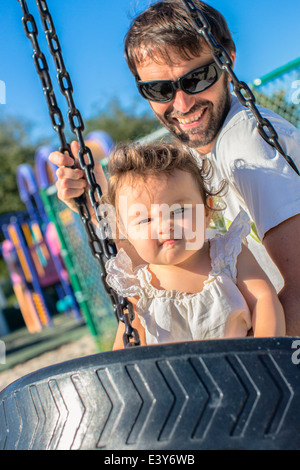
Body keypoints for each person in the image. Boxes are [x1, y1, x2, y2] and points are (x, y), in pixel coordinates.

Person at [49, 0, 300, 335]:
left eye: (197, 78)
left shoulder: (248, 146)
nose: (182, 104)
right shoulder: (193, 155)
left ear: (228, 61)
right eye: (160, 89)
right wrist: (95, 206)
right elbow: (159, 259)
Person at [99, 140, 285, 348]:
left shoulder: (229, 255)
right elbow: (123, 353)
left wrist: (264, 355)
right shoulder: (137, 288)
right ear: (125, 231)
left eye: (178, 211)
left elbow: (264, 299)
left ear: (206, 211)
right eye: (145, 219)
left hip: (242, 372)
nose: (165, 226)